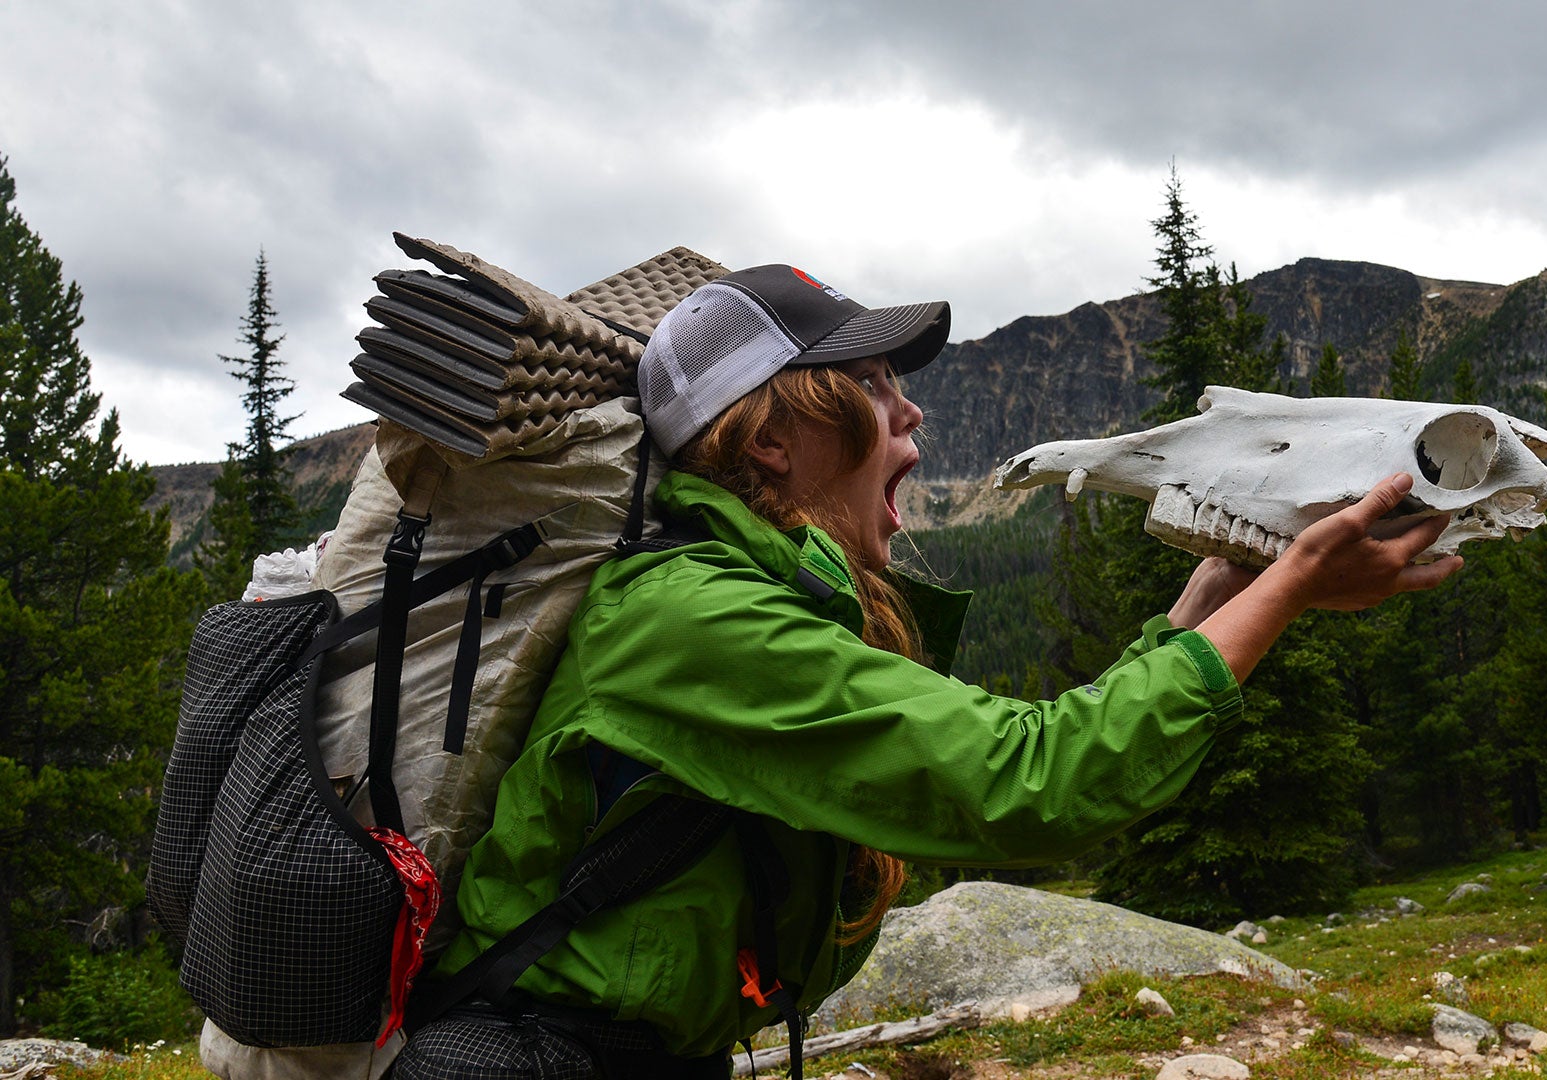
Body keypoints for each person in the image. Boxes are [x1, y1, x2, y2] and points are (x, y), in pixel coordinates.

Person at [393, 264, 1463, 1078]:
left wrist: (1206, 606)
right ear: (769, 441)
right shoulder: (691, 619)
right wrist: (1290, 592)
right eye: (869, 384)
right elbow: (1031, 783)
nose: (909, 414)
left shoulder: (747, 596)